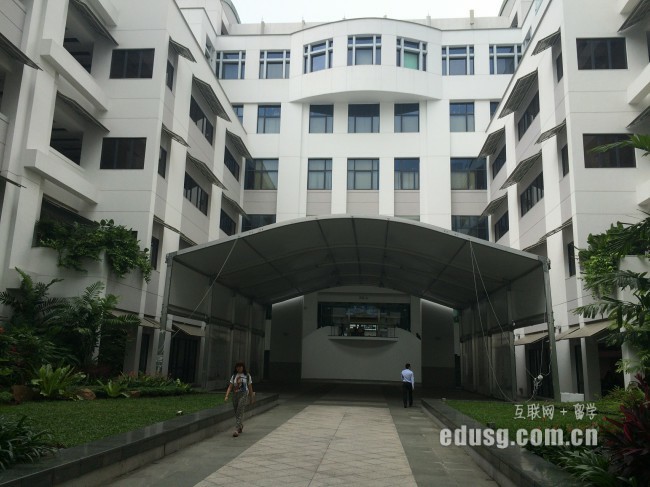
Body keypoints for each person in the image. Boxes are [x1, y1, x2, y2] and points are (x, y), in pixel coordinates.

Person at [224, 362, 254, 437]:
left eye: (240, 367)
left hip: (243, 394)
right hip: (235, 395)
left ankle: (236, 429)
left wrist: (251, 397)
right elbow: (230, 387)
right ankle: (240, 426)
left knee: (239, 410)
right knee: (236, 411)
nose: (239, 368)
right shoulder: (234, 376)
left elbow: (250, 387)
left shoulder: (247, 376)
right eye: (237, 367)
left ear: (243, 367)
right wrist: (227, 396)